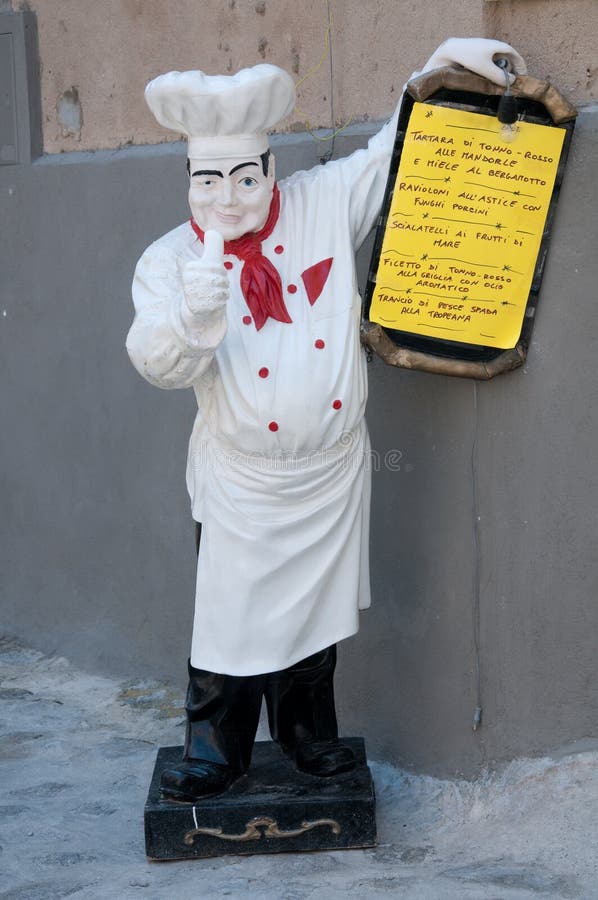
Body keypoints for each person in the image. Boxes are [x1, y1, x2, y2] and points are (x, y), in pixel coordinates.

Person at [127, 38, 526, 801]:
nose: (231, 199)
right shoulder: (167, 262)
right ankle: (217, 747)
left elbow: (389, 155)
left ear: (270, 169)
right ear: (189, 179)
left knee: (315, 622)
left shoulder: (321, 201)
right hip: (243, 475)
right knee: (228, 617)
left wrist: (435, 70)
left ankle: (310, 737)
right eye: (210, 183)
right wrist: (193, 314)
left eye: (246, 178)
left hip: (332, 467)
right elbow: (155, 362)